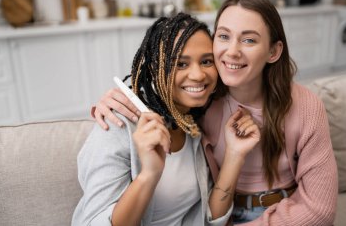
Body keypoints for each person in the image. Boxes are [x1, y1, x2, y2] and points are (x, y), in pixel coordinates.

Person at [91, 0, 338, 225]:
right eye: (223, 36)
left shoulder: (305, 107)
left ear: (273, 51)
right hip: (224, 215)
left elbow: (319, 210)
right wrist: (115, 99)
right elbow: (164, 84)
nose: (232, 52)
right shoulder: (204, 101)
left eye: (249, 39)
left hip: (285, 212)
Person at [72, 12, 261, 226]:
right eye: (181, 64)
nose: (198, 75)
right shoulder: (117, 127)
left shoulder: (193, 122)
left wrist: (235, 154)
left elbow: (212, 221)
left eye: (206, 61)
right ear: (154, 69)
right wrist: (149, 175)